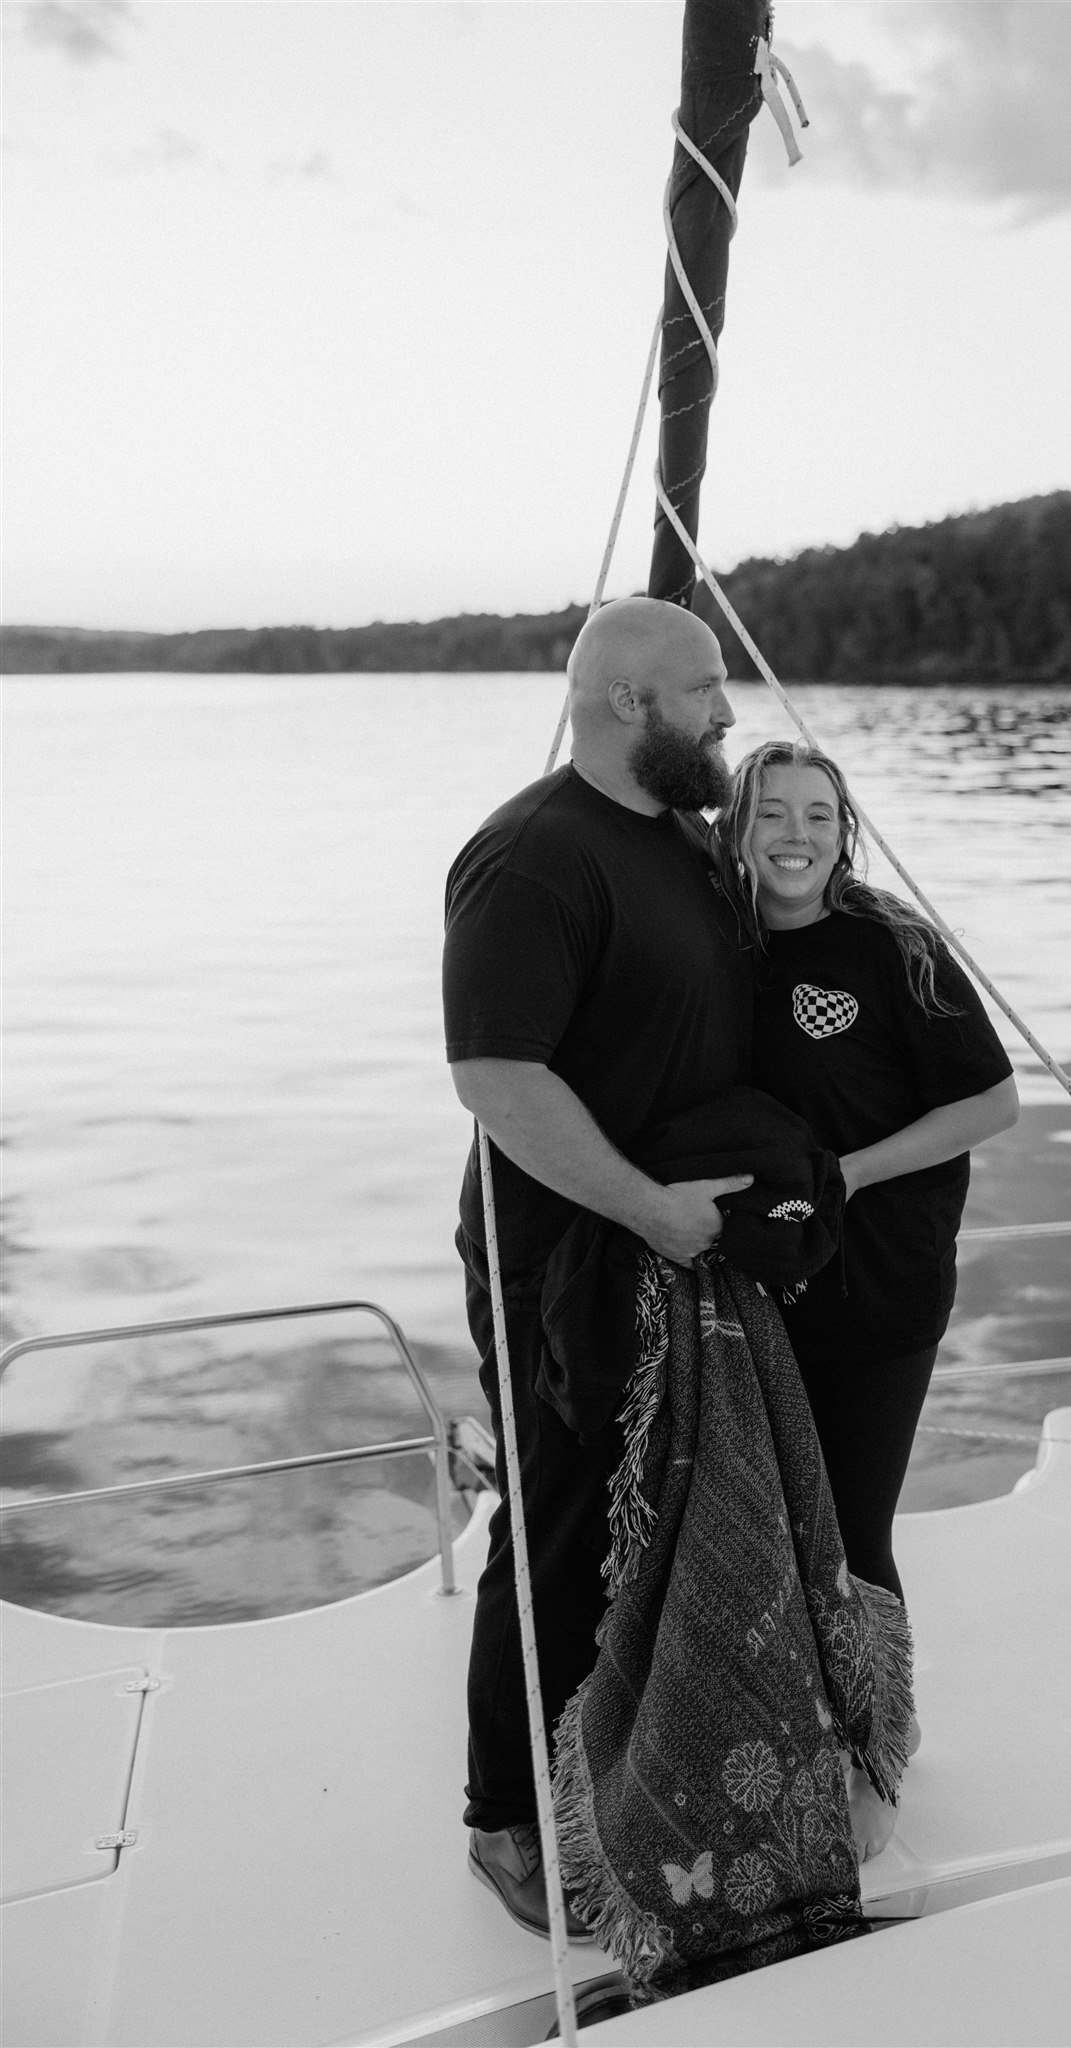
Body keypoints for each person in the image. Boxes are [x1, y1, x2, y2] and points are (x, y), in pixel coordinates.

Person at [442, 595, 754, 1940]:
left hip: (670, 1246)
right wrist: (643, 1207)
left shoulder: (683, 840)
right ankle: (505, 1822)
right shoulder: (531, 860)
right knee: (559, 1533)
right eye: (704, 690)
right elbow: (498, 1078)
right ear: (630, 701)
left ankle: (617, 1767)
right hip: (560, 1258)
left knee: (653, 1523)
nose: (727, 713)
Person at [714, 739, 1019, 1859]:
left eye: (819, 814)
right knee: (780, 1525)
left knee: (851, 1527)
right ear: (736, 829)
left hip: (883, 1278)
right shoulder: (722, 948)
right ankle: (814, 1722)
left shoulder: (893, 945)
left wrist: (850, 1172)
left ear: (848, 830)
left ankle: (879, 1750)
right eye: (772, 814)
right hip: (762, 1284)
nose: (795, 834)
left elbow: (993, 1102)